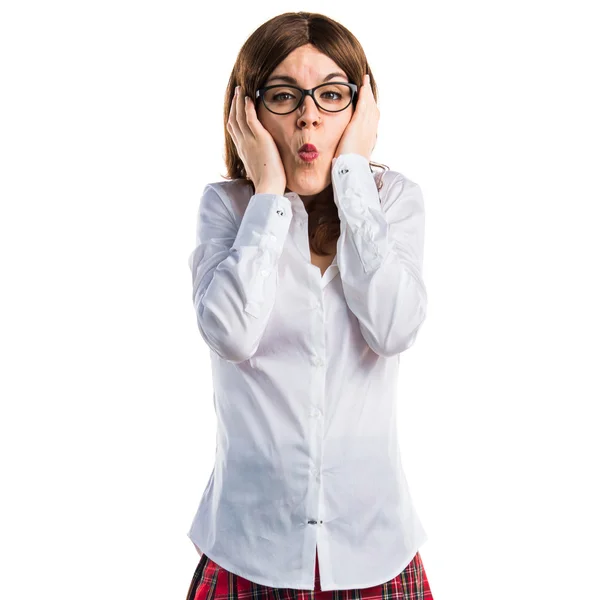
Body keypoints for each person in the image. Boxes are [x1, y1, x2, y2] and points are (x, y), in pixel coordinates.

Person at [185, 10, 434, 600]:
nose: (308, 117)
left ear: (360, 109)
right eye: (283, 95)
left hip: (373, 549)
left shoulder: (394, 201)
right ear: (247, 110)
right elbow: (230, 334)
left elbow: (394, 327)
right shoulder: (226, 210)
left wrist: (350, 174)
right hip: (250, 550)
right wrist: (267, 194)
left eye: (330, 95)